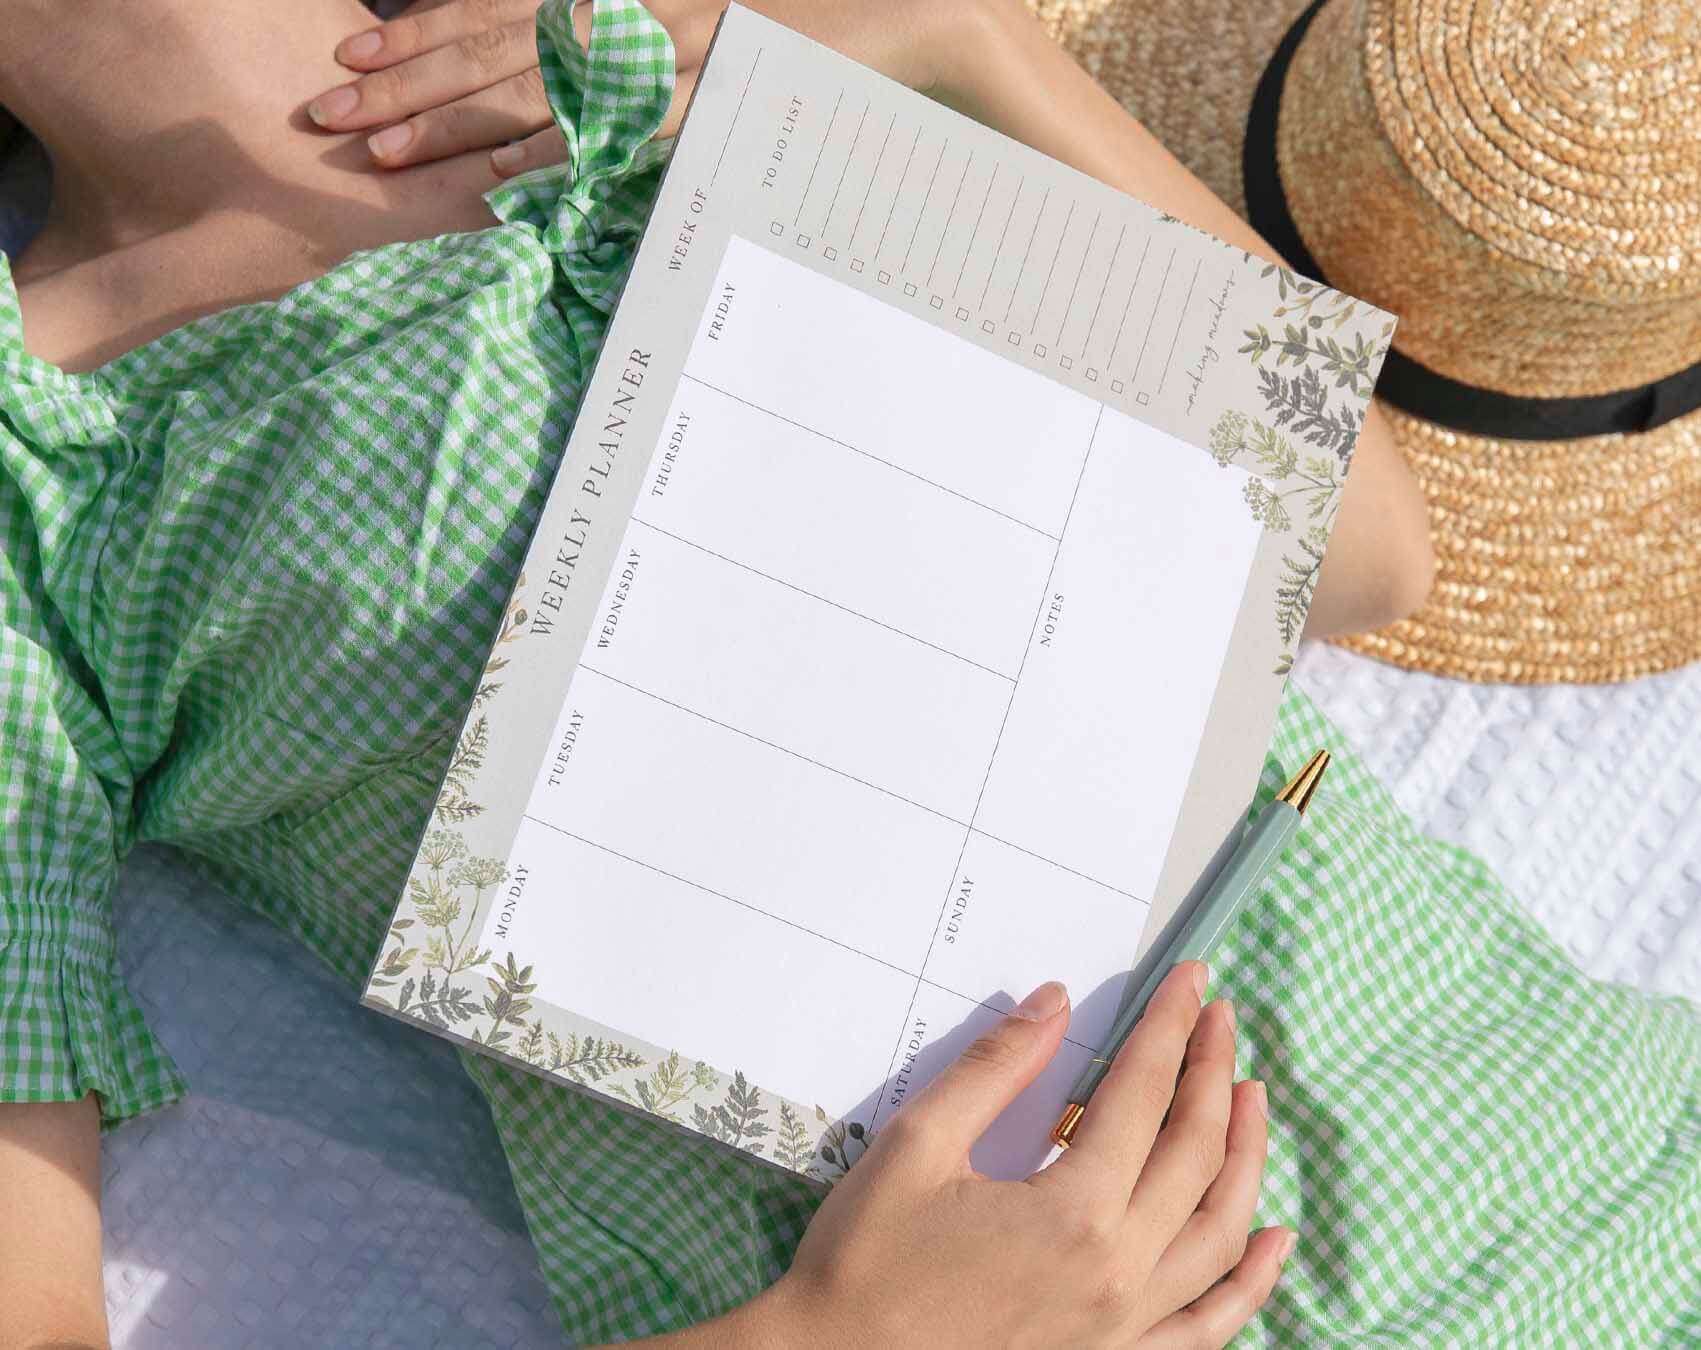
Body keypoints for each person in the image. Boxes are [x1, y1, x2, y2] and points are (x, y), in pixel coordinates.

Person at [3, 0, 1696, 1347]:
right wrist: (841, 1333)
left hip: (1600, 1186)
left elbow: (1367, 556)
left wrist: (951, 45)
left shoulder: (659, 59)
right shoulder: (39, 492)